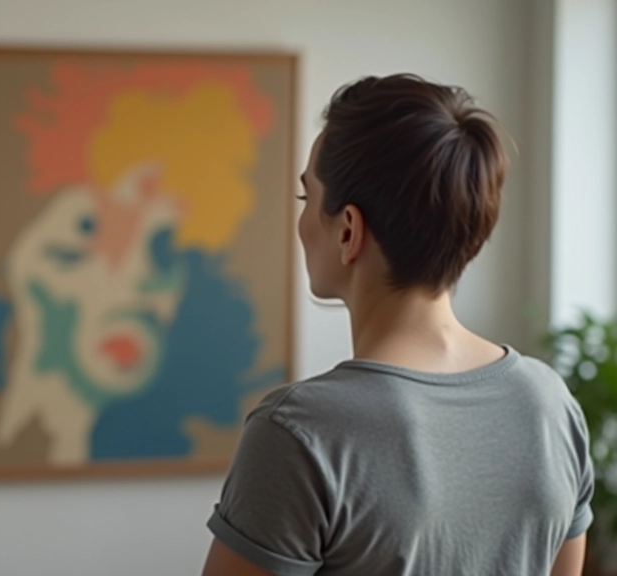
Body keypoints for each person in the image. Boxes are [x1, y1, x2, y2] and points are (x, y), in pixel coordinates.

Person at [201, 74, 593, 576]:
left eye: (306, 199)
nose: (300, 222)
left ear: (348, 230)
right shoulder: (551, 405)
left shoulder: (300, 432)